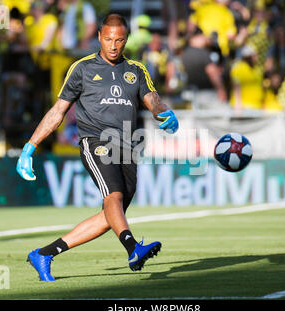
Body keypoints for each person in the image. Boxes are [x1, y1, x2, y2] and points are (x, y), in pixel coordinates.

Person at [16, 14, 179, 281]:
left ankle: (44, 254)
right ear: (99, 37)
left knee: (110, 216)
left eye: (119, 40)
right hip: (95, 142)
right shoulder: (81, 68)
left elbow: (153, 101)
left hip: (127, 147)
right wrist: (29, 148)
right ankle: (133, 248)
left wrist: (166, 114)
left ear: (126, 39)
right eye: (108, 39)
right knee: (113, 197)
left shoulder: (137, 69)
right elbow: (58, 111)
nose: (113, 45)